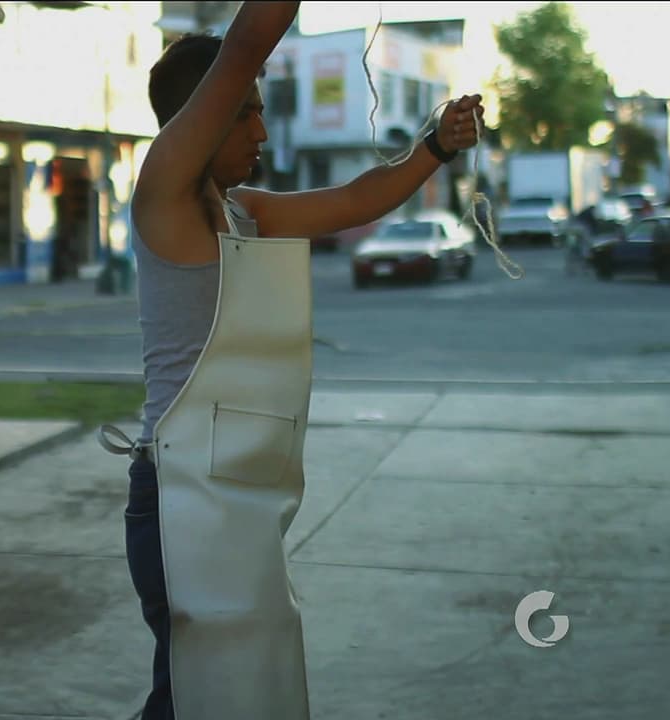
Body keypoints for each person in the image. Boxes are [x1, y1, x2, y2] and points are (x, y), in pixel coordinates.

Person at [115, 3, 484, 717]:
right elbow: (251, 36)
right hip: (177, 496)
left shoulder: (248, 211)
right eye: (243, 110)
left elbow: (354, 198)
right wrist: (245, 53)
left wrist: (434, 145)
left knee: (231, 687)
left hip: (235, 492)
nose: (259, 129)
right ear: (200, 117)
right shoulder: (163, 198)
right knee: (198, 689)